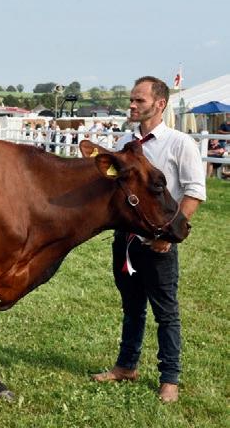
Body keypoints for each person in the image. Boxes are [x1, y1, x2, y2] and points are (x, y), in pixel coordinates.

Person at [92, 76, 206, 404]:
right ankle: (126, 366)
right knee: (132, 308)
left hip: (158, 245)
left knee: (166, 313)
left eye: (139, 100)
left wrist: (167, 236)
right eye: (131, 99)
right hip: (126, 241)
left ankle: (170, 378)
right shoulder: (126, 142)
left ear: (160, 104)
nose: (132, 105)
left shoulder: (179, 143)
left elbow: (194, 192)